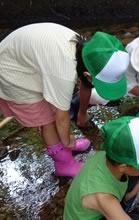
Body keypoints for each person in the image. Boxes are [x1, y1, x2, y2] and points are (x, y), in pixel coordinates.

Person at [0, 23, 130, 177]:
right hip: (13, 73)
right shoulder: (64, 74)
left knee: (55, 112)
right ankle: (63, 163)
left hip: (27, 59)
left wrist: (82, 114)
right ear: (88, 74)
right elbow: (61, 116)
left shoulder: (88, 50)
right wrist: (68, 141)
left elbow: (86, 83)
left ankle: (64, 145)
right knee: (47, 120)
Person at [63, 116, 139, 220]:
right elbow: (105, 199)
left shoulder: (109, 156)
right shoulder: (103, 197)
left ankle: (124, 204)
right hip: (100, 213)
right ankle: (123, 207)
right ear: (124, 166)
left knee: (137, 174)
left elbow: (135, 169)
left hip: (106, 203)